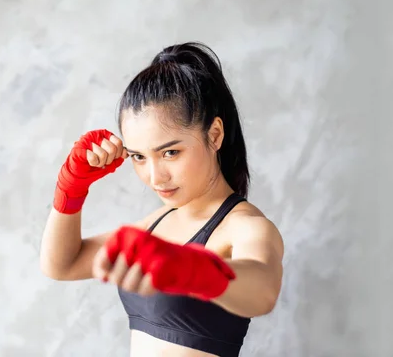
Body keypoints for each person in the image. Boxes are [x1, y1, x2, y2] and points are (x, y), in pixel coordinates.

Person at [39, 42, 284, 357]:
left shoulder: (244, 227)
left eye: (170, 152)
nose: (155, 177)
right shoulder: (157, 223)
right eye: (139, 157)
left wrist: (189, 268)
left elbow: (263, 291)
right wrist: (70, 190)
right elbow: (62, 264)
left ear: (215, 135)